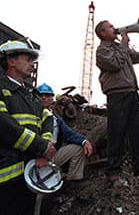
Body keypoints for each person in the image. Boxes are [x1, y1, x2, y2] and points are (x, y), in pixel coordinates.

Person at [0, 40, 56, 215]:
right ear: (11, 61)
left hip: (29, 173)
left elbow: (47, 118)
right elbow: (4, 126)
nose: (32, 63)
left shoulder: (29, 95)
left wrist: (44, 150)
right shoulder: (2, 89)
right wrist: (41, 147)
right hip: (6, 177)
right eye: (28, 58)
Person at [95, 20, 139, 182]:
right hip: (116, 95)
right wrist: (124, 45)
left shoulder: (119, 47)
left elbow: (136, 57)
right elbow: (115, 64)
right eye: (110, 27)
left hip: (132, 92)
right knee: (116, 132)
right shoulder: (102, 50)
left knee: (137, 131)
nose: (114, 28)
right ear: (102, 33)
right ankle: (113, 170)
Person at [37, 83, 93, 181]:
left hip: (52, 155)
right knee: (37, 189)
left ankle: (72, 182)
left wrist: (84, 141)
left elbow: (68, 133)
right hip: (36, 159)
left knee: (78, 148)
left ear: (52, 98)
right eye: (41, 95)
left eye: (47, 95)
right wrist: (39, 156)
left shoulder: (55, 118)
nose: (44, 98)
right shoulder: (32, 115)